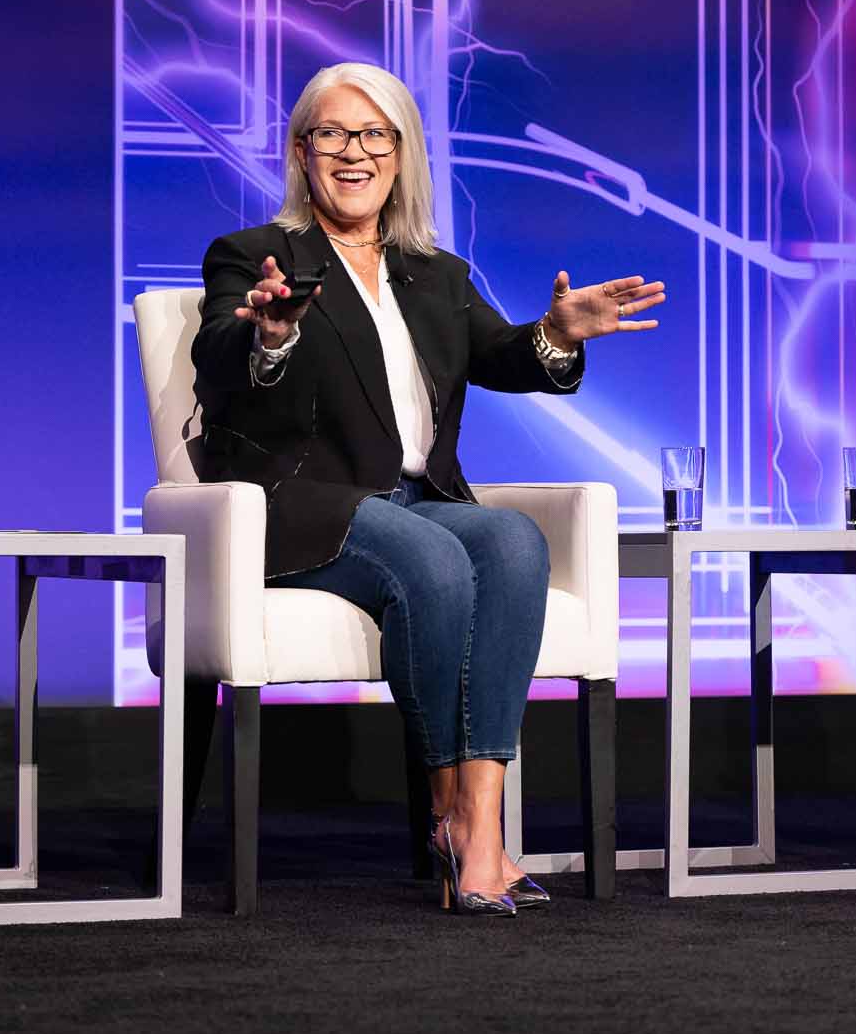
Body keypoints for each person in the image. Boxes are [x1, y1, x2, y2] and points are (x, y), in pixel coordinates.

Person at [193, 63, 664, 916]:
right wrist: (268, 336)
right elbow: (220, 368)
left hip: (415, 500)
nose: (354, 152)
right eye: (332, 134)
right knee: (436, 561)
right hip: (301, 504)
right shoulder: (257, 255)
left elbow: (501, 355)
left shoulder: (435, 273)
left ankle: (477, 826)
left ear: (402, 157)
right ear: (302, 153)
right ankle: (452, 815)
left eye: (375, 135)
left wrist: (555, 335)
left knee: (516, 540)